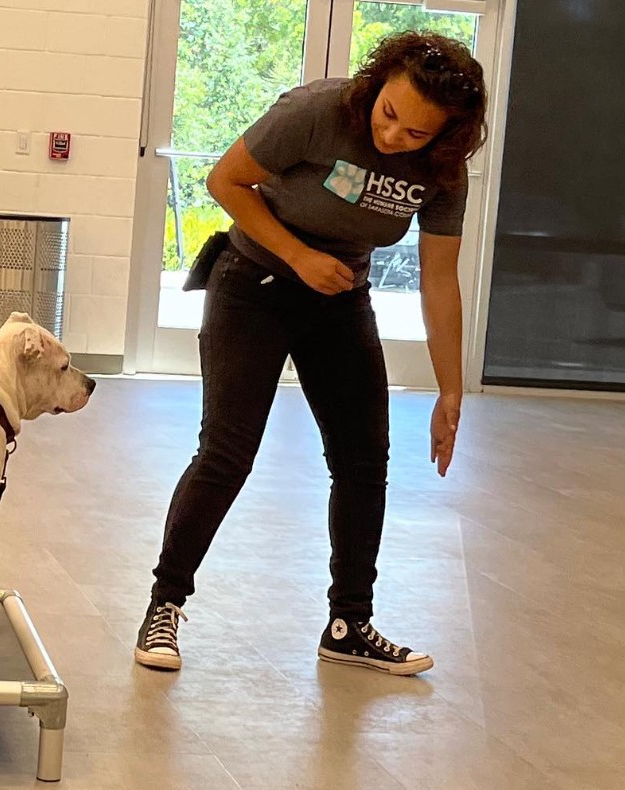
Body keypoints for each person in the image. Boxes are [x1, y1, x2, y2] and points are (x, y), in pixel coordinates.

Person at [135, 31, 488, 676]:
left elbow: (441, 279)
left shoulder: (443, 174)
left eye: (416, 134)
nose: (393, 138)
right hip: (254, 285)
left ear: (447, 136)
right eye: (389, 115)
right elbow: (226, 180)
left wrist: (451, 390)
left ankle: (350, 624)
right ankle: (164, 605)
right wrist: (298, 255)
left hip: (340, 298)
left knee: (362, 460)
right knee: (227, 451)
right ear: (377, 86)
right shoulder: (318, 112)